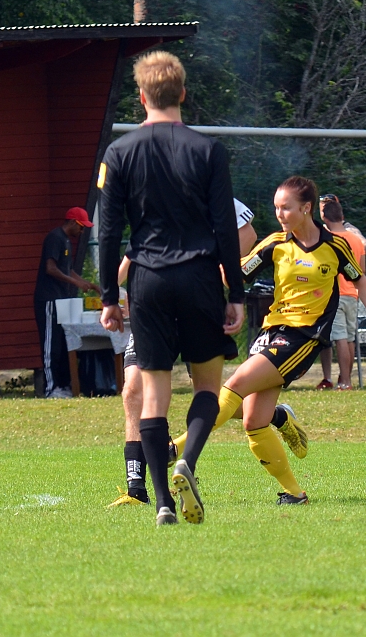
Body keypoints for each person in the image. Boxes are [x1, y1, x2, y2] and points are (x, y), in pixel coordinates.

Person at [98, 50, 245, 526]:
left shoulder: (119, 152)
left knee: (153, 395)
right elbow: (226, 230)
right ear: (182, 93)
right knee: (207, 386)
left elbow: (109, 232)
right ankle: (188, 462)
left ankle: (162, 503)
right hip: (200, 276)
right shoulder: (208, 150)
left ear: (141, 97)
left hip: (148, 282)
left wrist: (107, 296)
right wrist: (236, 294)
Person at [209, 176, 366, 505]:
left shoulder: (335, 245)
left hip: (304, 337)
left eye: (286, 207)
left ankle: (175, 448)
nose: (279, 213)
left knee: (234, 385)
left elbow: (359, 279)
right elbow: (236, 275)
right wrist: (214, 254)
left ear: (307, 208)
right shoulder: (275, 244)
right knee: (253, 420)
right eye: (276, 207)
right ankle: (294, 490)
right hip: (271, 331)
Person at [109, 198, 261, 507]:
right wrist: (108, 292)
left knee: (210, 396)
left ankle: (270, 414)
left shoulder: (201, 176)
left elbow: (247, 235)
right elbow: (134, 247)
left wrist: (216, 272)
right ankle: (136, 487)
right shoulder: (145, 184)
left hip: (195, 302)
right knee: (133, 390)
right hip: (152, 301)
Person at [34, 207, 101, 399]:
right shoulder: (55, 238)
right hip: (48, 299)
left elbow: (68, 269)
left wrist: (88, 284)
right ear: (72, 222)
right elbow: (51, 268)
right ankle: (50, 388)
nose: (81, 232)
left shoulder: (66, 242)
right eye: (81, 227)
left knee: (61, 345)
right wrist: (75, 283)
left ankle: (62, 385)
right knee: (50, 346)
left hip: (61, 301)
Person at [315, 192, 366, 390]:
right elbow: (361, 271)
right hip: (353, 295)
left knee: (339, 338)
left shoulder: (330, 239)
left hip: (335, 295)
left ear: (325, 217)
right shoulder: (356, 239)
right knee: (348, 339)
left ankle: (345, 382)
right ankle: (345, 380)